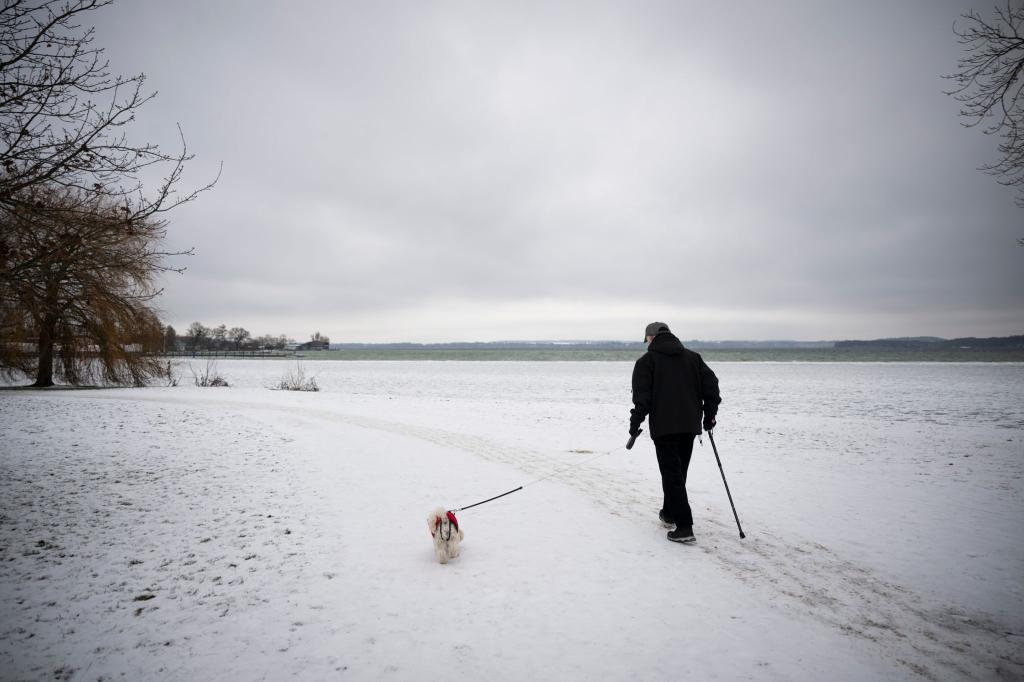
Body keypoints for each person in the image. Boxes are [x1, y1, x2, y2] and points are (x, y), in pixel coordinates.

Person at [629, 322, 721, 544]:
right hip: (689, 425)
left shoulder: (646, 362)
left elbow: (642, 399)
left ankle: (684, 526)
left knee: (672, 475)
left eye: (647, 340)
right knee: (677, 473)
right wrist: (709, 416)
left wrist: (635, 424)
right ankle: (669, 513)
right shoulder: (693, 358)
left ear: (651, 338)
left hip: (664, 427)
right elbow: (712, 388)